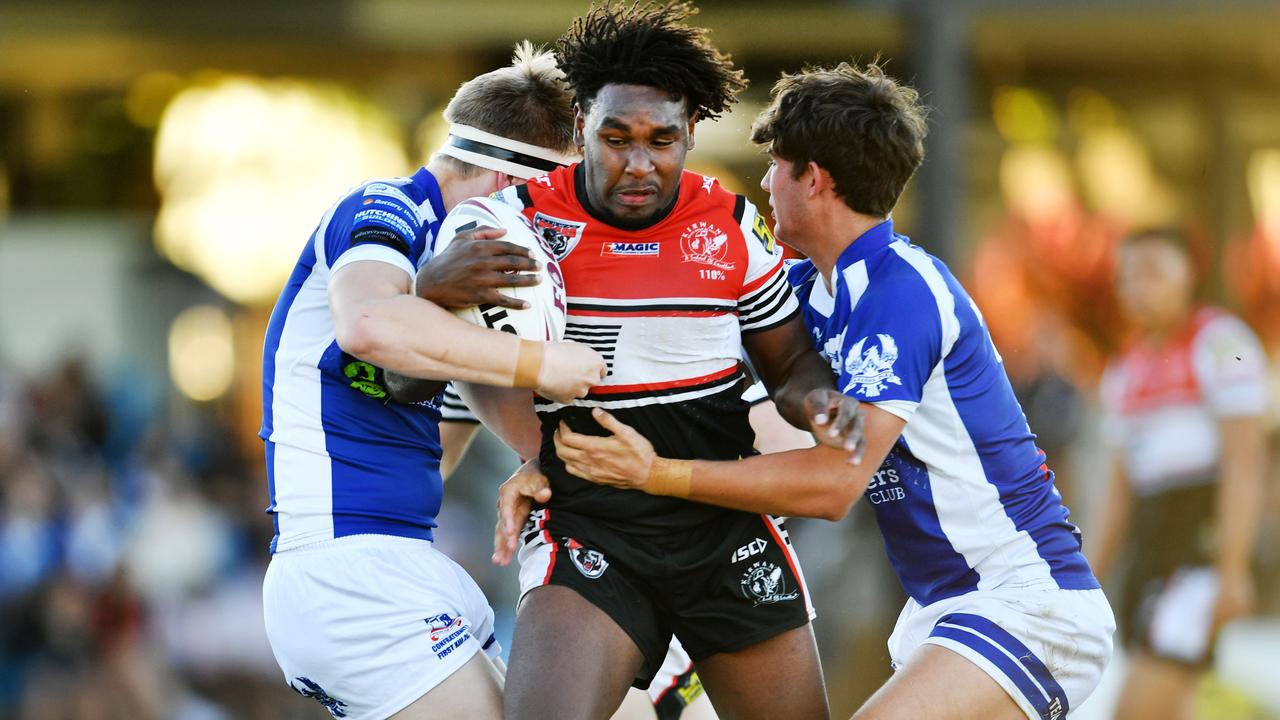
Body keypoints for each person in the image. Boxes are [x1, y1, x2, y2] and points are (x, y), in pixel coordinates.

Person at [552, 61, 1116, 720]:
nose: (763, 182)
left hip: (1026, 604)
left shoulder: (903, 292)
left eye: (775, 166)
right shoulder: (802, 291)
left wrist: (657, 474)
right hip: (946, 610)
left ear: (813, 180)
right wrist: (553, 463)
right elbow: (729, 413)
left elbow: (833, 485)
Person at [475, 4, 862, 718]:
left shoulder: (732, 225)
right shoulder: (517, 226)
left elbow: (789, 366)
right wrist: (526, 447)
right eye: (615, 138)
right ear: (583, 123)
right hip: (593, 527)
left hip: (722, 528)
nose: (638, 163)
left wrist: (819, 404)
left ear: (691, 133)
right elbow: (445, 360)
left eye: (662, 141)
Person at [258, 45, 606, 720]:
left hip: (406, 568)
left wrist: (541, 462)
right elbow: (366, 323)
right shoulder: (385, 207)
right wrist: (539, 364)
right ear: (509, 176)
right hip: (348, 576)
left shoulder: (447, 293)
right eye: (553, 198)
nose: (556, 228)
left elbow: (436, 445)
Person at [437, 382, 719, 720]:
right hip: (582, 602)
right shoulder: (481, 367)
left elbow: (773, 441)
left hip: (679, 593)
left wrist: (554, 465)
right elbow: (422, 465)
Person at [1089, 229, 1268, 720]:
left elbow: (1245, 460)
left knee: (1138, 707)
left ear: (1189, 274)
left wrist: (1233, 567)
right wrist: (1085, 578)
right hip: (1150, 549)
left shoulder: (1223, 344)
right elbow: (1119, 492)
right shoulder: (1124, 370)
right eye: (1128, 276)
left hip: (1198, 552)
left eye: (1153, 273)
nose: (1139, 289)